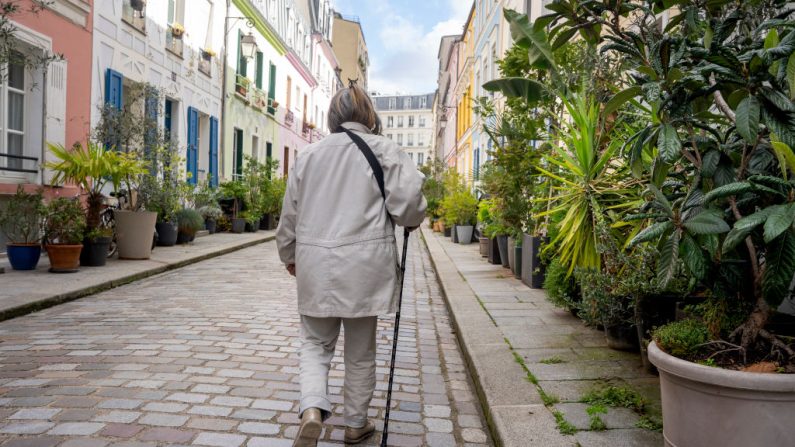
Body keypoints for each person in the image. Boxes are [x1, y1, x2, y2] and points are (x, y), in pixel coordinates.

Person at [276, 83, 427, 446]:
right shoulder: (385, 150)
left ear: (333, 116)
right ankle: (356, 424)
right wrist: (414, 216)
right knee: (360, 353)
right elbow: (409, 208)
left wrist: (289, 255)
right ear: (369, 116)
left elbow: (289, 217)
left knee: (314, 343)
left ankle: (312, 408)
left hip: (315, 264)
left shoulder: (309, 156)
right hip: (364, 266)